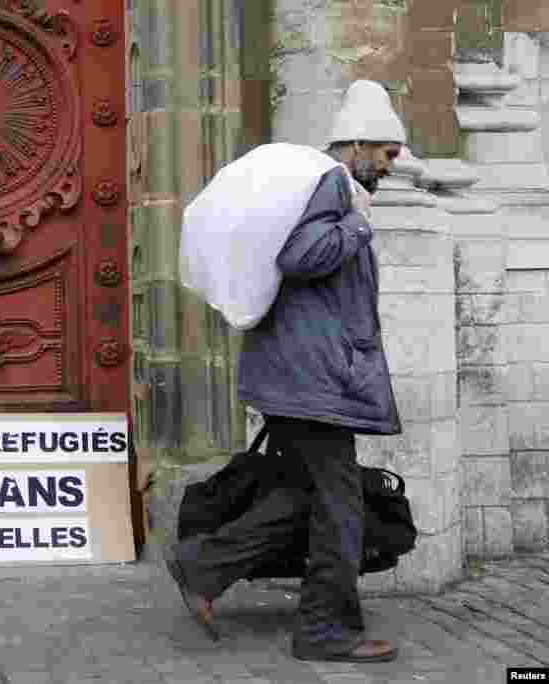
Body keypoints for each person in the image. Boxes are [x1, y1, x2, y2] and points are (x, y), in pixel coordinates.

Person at [166, 80, 405, 663]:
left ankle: (203, 565)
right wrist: (360, 225)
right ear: (356, 145)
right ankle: (326, 630)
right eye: (388, 154)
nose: (392, 168)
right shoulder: (332, 187)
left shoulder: (327, 187)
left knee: (308, 493)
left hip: (294, 372)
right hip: (313, 379)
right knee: (340, 502)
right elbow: (300, 257)